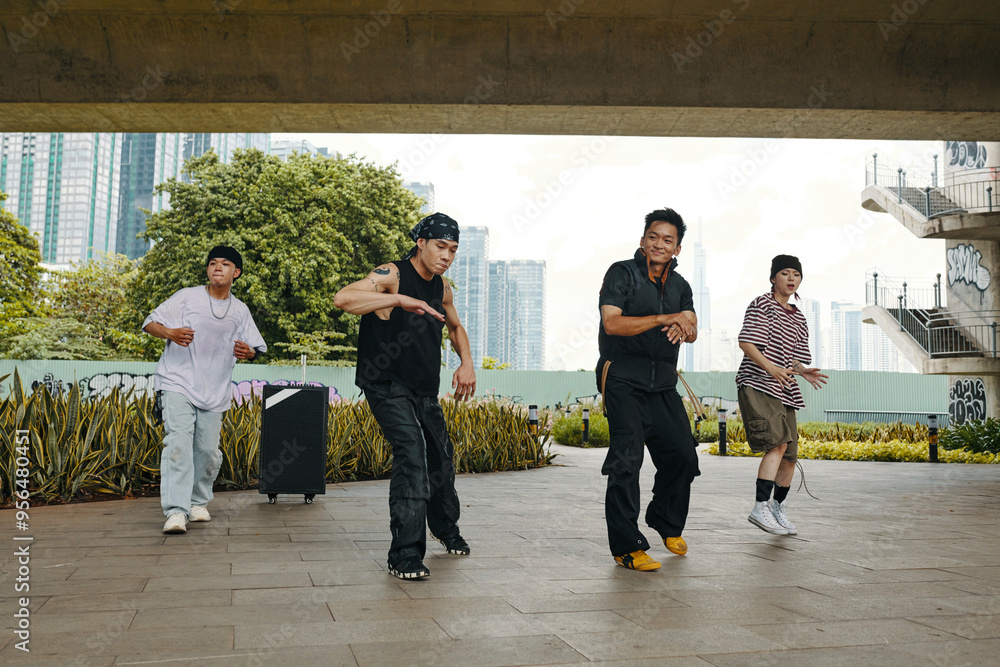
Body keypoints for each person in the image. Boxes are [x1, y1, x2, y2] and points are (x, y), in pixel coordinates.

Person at [333, 212, 476, 580]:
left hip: (423, 387)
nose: (446, 255)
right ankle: (405, 555)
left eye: (453, 249)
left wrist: (467, 363)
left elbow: (456, 327)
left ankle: (445, 528)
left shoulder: (441, 287)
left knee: (441, 457)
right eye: (440, 246)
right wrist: (397, 300)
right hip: (384, 382)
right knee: (412, 453)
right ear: (421, 243)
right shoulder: (392, 274)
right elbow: (343, 298)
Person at [596, 208, 700, 572]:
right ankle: (627, 547)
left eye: (667, 240)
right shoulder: (622, 273)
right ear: (643, 240)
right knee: (627, 462)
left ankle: (664, 521)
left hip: (662, 384)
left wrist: (685, 327)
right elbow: (612, 323)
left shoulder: (680, 285)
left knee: (684, 456)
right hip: (622, 378)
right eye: (653, 237)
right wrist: (663, 319)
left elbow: (692, 326)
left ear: (677, 248)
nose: (659, 244)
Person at [143, 246, 266, 534]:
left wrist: (249, 352)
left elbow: (255, 348)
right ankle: (176, 510)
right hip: (177, 382)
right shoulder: (187, 297)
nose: (217, 268)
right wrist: (171, 333)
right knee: (178, 443)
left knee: (207, 451)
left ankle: (198, 503)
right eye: (212, 263)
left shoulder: (240, 310)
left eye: (225, 264)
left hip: (215, 390)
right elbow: (150, 323)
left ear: (236, 272)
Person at [736, 254, 827, 536]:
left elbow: (793, 359)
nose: (791, 279)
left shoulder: (798, 316)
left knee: (789, 454)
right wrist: (771, 368)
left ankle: (777, 507)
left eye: (796, 274)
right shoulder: (762, 304)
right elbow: (746, 343)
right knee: (776, 443)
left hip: (785, 388)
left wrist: (802, 371)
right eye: (785, 273)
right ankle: (759, 506)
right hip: (758, 383)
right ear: (773, 277)